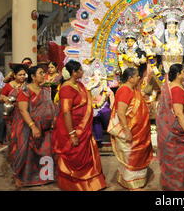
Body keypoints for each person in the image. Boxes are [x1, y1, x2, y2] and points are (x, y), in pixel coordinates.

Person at [52, 60, 106, 191]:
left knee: (86, 156)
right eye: (80, 70)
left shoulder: (80, 85)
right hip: (71, 128)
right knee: (74, 155)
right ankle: (75, 186)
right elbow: (66, 112)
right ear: (73, 73)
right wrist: (72, 134)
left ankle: (91, 184)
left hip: (83, 128)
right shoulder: (66, 88)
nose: (82, 72)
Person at [10, 66, 57, 187]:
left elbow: (50, 106)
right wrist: (33, 126)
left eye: (43, 72)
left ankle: (44, 176)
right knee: (23, 152)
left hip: (45, 127)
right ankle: (19, 176)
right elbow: (23, 110)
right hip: (27, 126)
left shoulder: (46, 89)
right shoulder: (25, 91)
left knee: (46, 151)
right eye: (41, 73)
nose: (43, 75)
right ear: (33, 76)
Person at [156, 63, 184, 191]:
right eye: (183, 72)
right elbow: (179, 113)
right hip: (178, 134)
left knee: (177, 161)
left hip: (176, 132)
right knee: (179, 162)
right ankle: (177, 188)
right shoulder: (176, 90)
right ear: (177, 74)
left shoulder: (178, 87)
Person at [108, 67, 153, 190]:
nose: (139, 77)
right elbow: (121, 113)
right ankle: (130, 183)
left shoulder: (132, 89)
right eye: (137, 76)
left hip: (139, 132)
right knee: (131, 158)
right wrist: (127, 131)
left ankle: (136, 181)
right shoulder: (124, 91)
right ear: (130, 78)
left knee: (138, 156)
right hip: (131, 132)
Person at [0, 64, 28, 144]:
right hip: (12, 114)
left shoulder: (27, 85)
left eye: (24, 75)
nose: (22, 76)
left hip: (24, 113)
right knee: (13, 135)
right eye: (20, 75)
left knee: (24, 135)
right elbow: (1, 97)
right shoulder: (9, 86)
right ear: (14, 75)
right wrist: (6, 99)